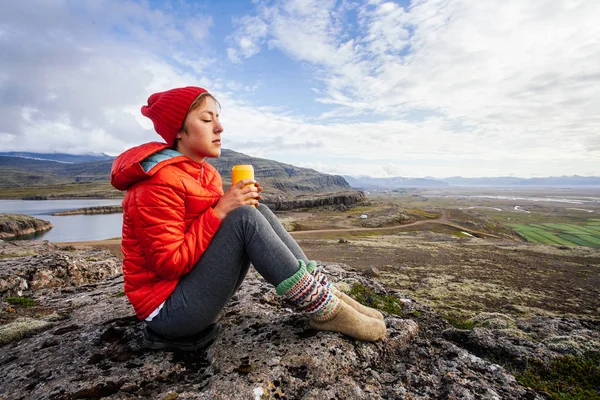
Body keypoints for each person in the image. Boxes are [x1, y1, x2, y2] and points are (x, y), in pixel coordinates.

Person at [110, 86, 386, 351]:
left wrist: (231, 208)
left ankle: (325, 294)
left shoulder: (205, 175)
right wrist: (222, 211)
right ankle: (324, 310)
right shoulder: (155, 184)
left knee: (254, 211)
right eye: (207, 119)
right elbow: (170, 265)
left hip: (188, 294)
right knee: (243, 217)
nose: (219, 128)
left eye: (218, 119)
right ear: (179, 131)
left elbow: (208, 235)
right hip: (168, 313)